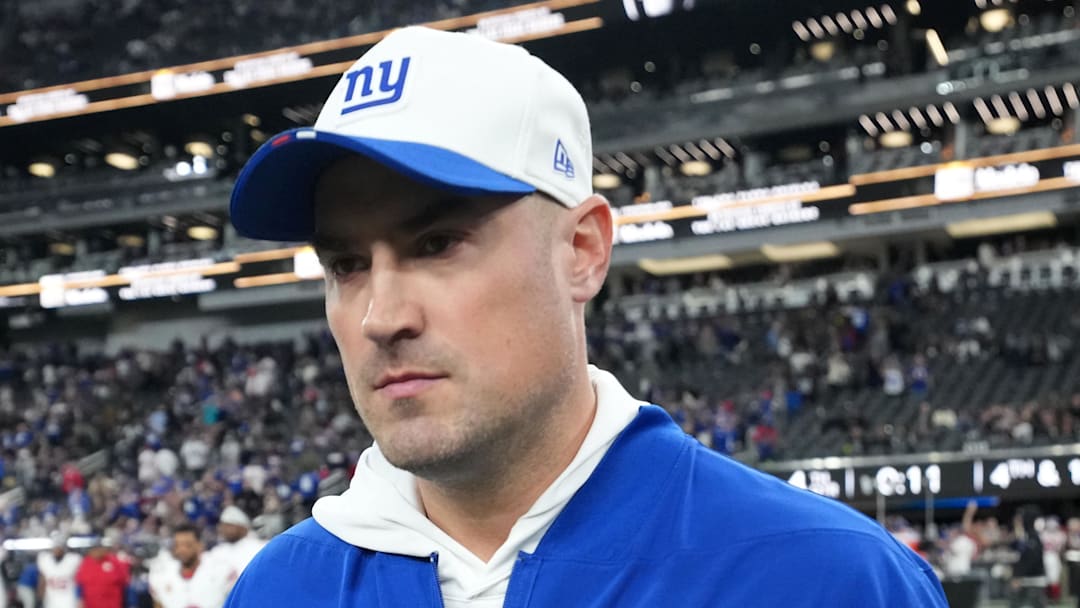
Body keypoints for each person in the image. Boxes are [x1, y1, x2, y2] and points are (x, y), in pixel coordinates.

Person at [224, 26, 948, 607]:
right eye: (346, 265)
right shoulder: (278, 588)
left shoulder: (828, 579)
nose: (381, 316)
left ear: (582, 250)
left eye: (437, 243)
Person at [148, 525, 228, 608]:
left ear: (200, 545)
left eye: (188, 545)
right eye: (178, 545)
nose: (182, 549)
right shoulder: (162, 574)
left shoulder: (220, 570)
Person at [206, 507, 265, 594]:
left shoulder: (259, 547)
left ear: (242, 527)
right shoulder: (217, 551)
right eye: (222, 526)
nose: (223, 529)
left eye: (228, 526)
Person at [74, 533, 131, 608]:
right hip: (91, 604)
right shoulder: (85, 563)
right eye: (93, 549)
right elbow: (79, 584)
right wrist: (79, 600)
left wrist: (129, 603)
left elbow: (125, 585)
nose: (96, 551)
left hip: (112, 604)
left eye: (98, 548)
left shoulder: (115, 562)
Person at [37, 534, 81, 608]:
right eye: (55, 547)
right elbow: (42, 581)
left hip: (69, 601)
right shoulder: (45, 560)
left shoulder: (73, 559)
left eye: (59, 547)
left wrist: (80, 599)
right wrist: (40, 598)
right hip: (51, 601)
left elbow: (80, 582)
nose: (56, 550)